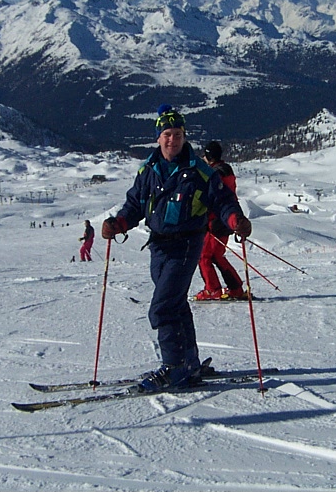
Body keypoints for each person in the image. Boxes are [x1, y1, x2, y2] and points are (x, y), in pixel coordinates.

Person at [101, 104, 252, 392]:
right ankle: (189, 362)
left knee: (163, 307)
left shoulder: (200, 172)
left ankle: (174, 367)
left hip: (187, 244)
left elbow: (223, 202)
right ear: (158, 137)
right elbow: (134, 205)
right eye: (167, 134)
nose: (173, 140)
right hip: (158, 245)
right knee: (176, 303)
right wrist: (118, 223)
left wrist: (236, 220)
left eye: (178, 134)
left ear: (184, 136)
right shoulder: (149, 170)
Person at [195, 141, 246, 301]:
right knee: (217, 255)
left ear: (209, 156)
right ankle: (236, 288)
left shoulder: (214, 174)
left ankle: (212, 290)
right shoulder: (226, 170)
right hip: (228, 218)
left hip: (215, 220)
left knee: (204, 256)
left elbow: (212, 198)